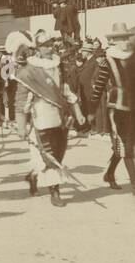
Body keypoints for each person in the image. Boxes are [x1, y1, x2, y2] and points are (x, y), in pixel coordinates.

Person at [15, 32, 85, 207]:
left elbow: (67, 92)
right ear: (37, 48)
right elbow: (21, 101)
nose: (48, 48)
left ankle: (32, 177)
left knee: (58, 156)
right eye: (44, 45)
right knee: (50, 158)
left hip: (61, 120)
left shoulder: (58, 66)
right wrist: (21, 126)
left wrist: (78, 113)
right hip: (41, 120)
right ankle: (55, 193)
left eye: (50, 44)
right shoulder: (29, 72)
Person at [92, 22, 135, 197]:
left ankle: (109, 174)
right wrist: (90, 111)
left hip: (133, 107)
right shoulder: (107, 60)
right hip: (117, 108)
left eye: (126, 38)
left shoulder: (133, 58)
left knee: (123, 145)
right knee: (126, 144)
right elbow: (99, 86)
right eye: (120, 39)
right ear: (113, 41)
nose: (124, 42)